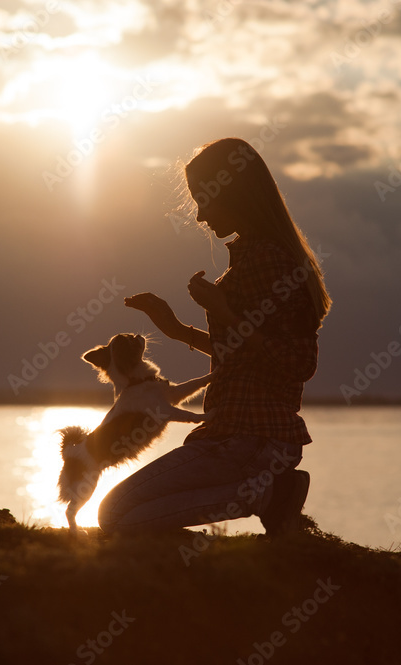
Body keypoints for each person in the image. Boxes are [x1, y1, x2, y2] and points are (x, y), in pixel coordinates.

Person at [97, 137, 331, 537]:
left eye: (205, 200)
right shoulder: (254, 255)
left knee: (115, 516)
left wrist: (223, 312)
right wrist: (174, 329)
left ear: (235, 194)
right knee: (117, 515)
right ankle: (266, 498)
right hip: (229, 434)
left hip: (253, 438)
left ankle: (268, 496)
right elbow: (243, 354)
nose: (201, 216)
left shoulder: (269, 260)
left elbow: (298, 363)